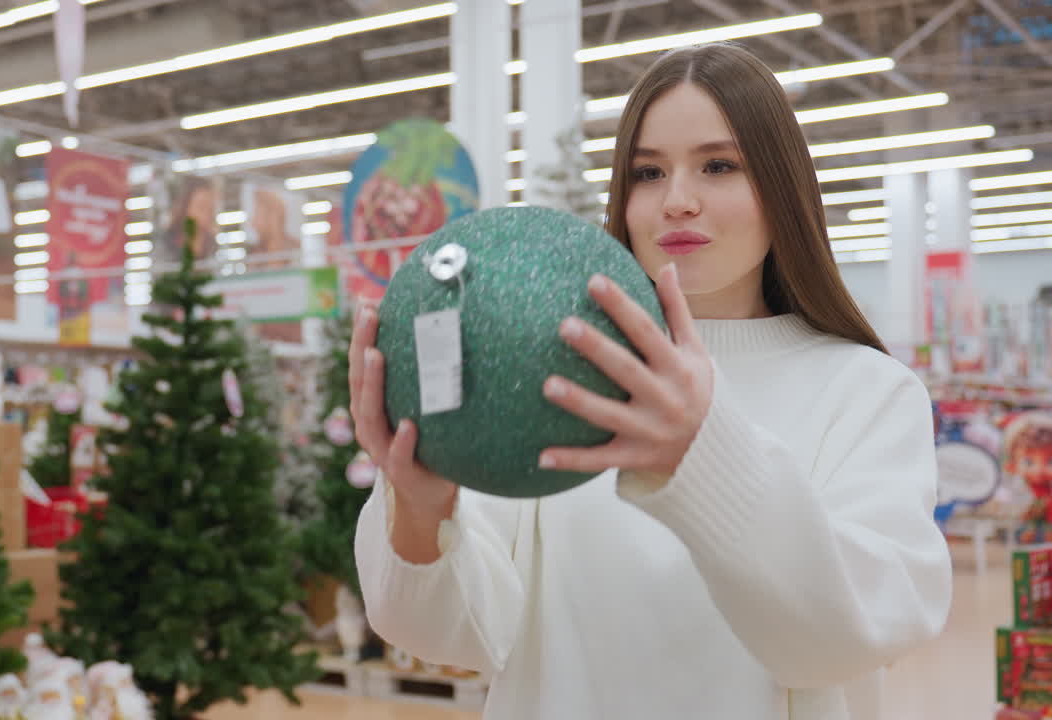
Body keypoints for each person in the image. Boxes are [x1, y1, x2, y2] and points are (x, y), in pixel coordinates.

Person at [348, 42, 952, 720]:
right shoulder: (556, 373)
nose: (678, 201)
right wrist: (423, 508)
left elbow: (846, 638)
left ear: (783, 190)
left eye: (719, 165)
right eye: (647, 172)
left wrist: (703, 455)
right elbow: (454, 634)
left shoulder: (868, 392)